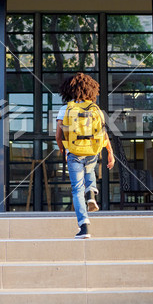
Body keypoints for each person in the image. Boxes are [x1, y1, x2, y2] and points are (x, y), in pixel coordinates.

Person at [55, 73, 115, 239]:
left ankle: (84, 227)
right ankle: (92, 192)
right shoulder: (96, 110)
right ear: (91, 90)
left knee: (76, 190)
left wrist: (62, 150)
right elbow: (103, 134)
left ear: (69, 90)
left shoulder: (66, 109)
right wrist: (110, 152)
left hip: (74, 153)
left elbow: (58, 136)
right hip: (91, 151)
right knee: (90, 170)